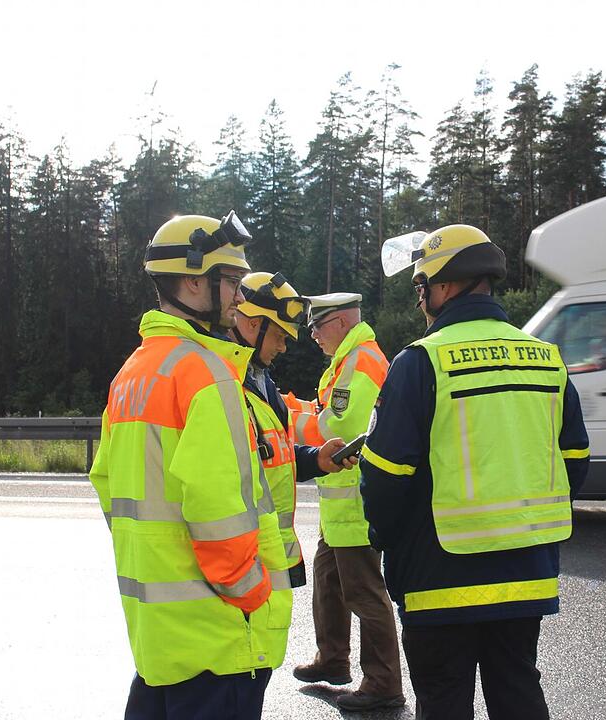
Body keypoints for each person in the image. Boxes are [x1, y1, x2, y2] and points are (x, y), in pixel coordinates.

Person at [359, 224, 590, 720]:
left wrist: (389, 540)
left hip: (439, 574)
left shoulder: (422, 361)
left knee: (443, 703)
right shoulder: (547, 358)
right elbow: (575, 460)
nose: (421, 299)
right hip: (526, 576)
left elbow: (384, 476)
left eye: (421, 287)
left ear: (445, 285)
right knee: (519, 693)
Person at [89, 212, 292, 720]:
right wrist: (253, 596)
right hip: (216, 634)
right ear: (194, 282)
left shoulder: (132, 373)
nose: (239, 297)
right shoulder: (207, 374)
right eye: (230, 281)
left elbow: (108, 487)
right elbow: (217, 507)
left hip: (158, 634)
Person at [290, 292, 405, 712]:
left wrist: (287, 420)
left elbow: (339, 427)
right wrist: (300, 409)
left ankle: (384, 682)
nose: (313, 335)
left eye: (317, 326)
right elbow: (327, 413)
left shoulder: (360, 361)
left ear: (339, 322)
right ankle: (333, 659)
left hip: (355, 498)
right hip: (341, 500)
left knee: (363, 592)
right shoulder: (349, 361)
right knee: (327, 578)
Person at [230, 271, 356, 590]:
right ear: (253, 323)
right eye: (280, 336)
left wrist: (317, 460)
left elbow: (271, 458)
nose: (284, 348)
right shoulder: (222, 386)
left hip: (270, 561)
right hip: (242, 566)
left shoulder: (261, 382)